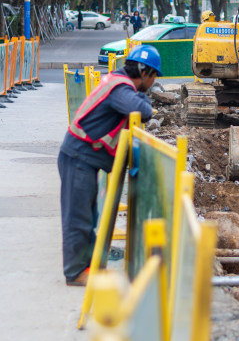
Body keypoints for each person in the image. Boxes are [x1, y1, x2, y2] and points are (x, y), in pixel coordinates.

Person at [57, 45, 163, 286]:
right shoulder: (120, 88)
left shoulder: (118, 83)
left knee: (89, 214)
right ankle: (75, 273)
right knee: (78, 216)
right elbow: (142, 110)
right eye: (154, 75)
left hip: (84, 157)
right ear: (144, 72)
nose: (154, 81)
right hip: (78, 156)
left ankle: (89, 265)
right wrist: (143, 98)